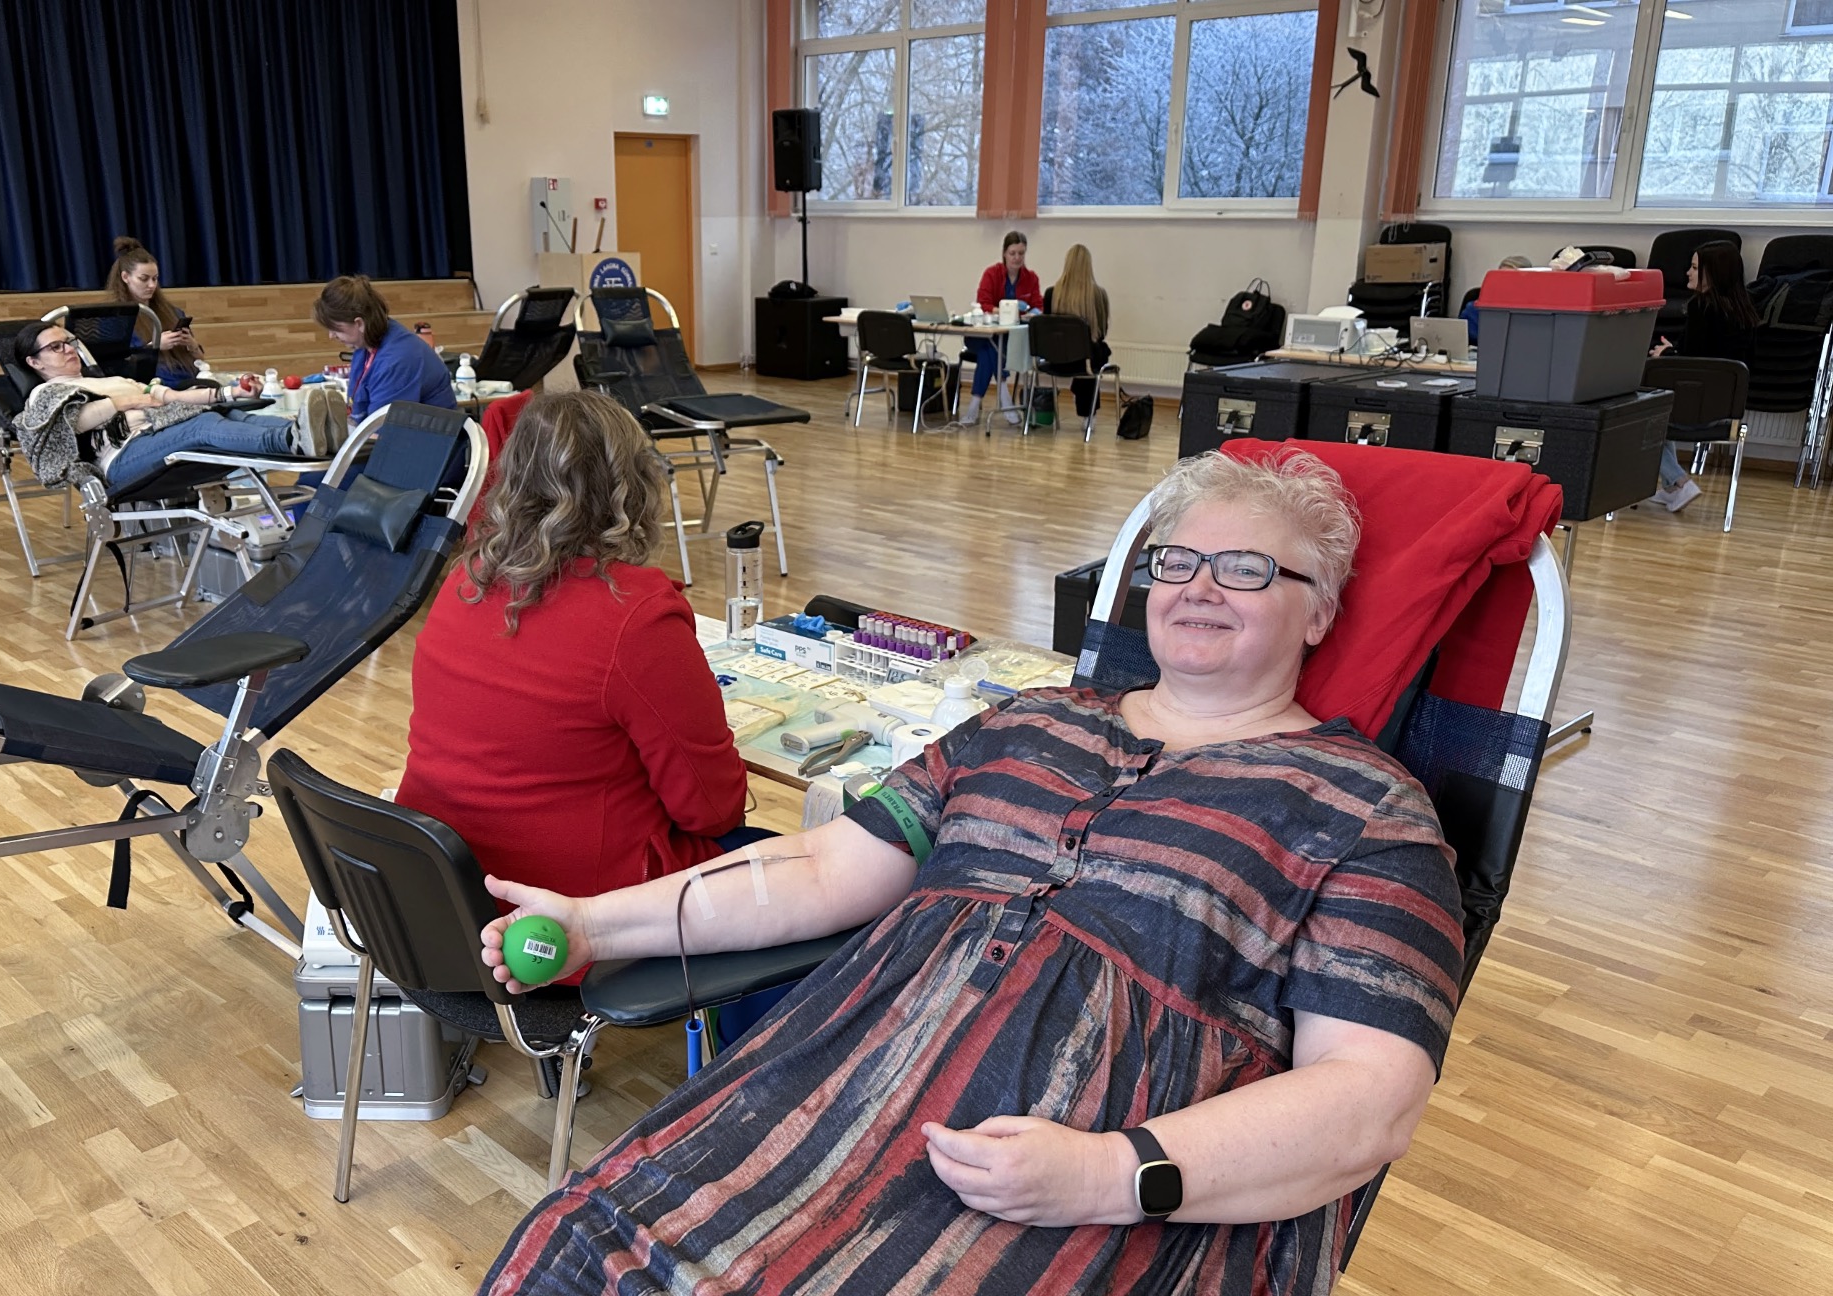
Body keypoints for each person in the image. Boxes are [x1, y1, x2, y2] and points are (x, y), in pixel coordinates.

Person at [475, 450, 1464, 1296]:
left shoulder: (1365, 807)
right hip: (835, 1102)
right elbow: (819, 865)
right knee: (574, 1248)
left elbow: (1371, 1096)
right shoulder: (1028, 721)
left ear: (1320, 612)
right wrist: (595, 925)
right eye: (1177, 562)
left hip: (1094, 1192)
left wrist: (1109, 1176)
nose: (1199, 587)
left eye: (1246, 570)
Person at [396, 390, 752, 911]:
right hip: (573, 918)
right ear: (633, 485)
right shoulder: (636, 615)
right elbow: (712, 810)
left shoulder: (463, 582)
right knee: (811, 869)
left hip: (439, 897)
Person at [9, 320, 335, 490]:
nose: (68, 350)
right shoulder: (45, 393)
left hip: (155, 435)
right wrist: (126, 401)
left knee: (227, 413)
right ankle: (291, 441)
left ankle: (320, 435)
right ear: (34, 362)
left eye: (69, 342)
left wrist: (230, 393)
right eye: (55, 347)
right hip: (122, 460)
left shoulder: (110, 380)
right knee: (201, 426)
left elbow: (174, 398)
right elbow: (74, 423)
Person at [1648, 240, 1759, 513]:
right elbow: (1714, 360)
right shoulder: (1745, 312)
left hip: (1693, 412)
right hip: (1725, 416)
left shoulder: (1702, 307)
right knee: (1658, 412)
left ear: (1714, 273)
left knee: (1640, 418)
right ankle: (1672, 489)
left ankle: (1680, 481)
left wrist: (1667, 354)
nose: (1688, 272)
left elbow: (1694, 366)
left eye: (1695, 268)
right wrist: (1674, 351)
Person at [312, 274, 457, 425]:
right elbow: (359, 413)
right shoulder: (366, 346)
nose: (331, 336)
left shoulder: (397, 360)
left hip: (427, 438)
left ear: (359, 324)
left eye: (336, 329)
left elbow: (382, 430)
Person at [958, 230, 1041, 426]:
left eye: (1021, 253)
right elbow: (983, 303)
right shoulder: (991, 274)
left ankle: (974, 405)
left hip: (1011, 339)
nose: (1017, 258)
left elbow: (1038, 305)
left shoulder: (1031, 278)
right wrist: (1006, 311)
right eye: (1013, 253)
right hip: (982, 334)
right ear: (1004, 253)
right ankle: (1004, 397)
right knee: (990, 344)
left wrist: (1032, 313)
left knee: (990, 350)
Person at [104, 236, 206, 388]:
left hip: (190, 379)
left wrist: (192, 345)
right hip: (155, 386)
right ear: (125, 277)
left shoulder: (173, 312)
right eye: (144, 279)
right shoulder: (115, 318)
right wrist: (154, 346)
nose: (151, 285)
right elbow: (115, 367)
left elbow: (200, 359)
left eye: (155, 278)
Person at [1042, 243, 1113, 418]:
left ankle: (1079, 392)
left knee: (1089, 352)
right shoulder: (1098, 295)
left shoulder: (1051, 294)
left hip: (1055, 360)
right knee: (1097, 351)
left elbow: (1047, 331)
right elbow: (1101, 332)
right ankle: (1088, 415)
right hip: (1084, 362)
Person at [1458, 254, 1532, 343]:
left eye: (1511, 280)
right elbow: (1459, 339)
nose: (1505, 284)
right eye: (1501, 278)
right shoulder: (1474, 310)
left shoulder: (1533, 315)